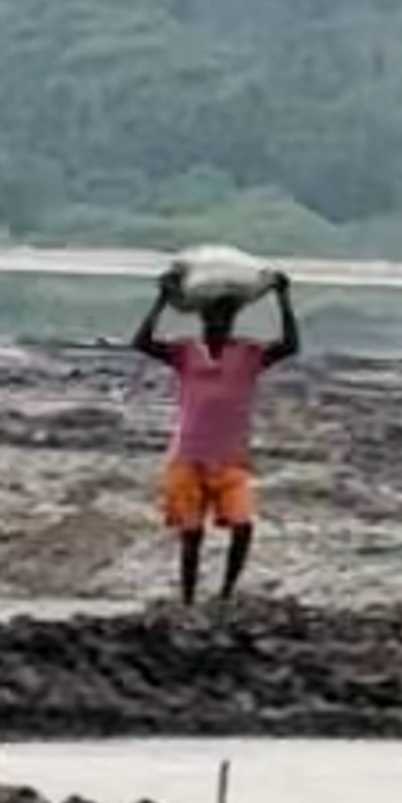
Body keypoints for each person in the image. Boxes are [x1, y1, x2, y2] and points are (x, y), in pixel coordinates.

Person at [130, 244, 299, 610]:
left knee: (243, 526)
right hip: (187, 455)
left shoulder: (248, 354)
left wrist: (282, 298)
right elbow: (142, 342)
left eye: (224, 318)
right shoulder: (187, 352)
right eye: (212, 317)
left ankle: (225, 594)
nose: (218, 323)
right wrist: (161, 299)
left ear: (233, 321)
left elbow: (290, 346)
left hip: (230, 458)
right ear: (203, 320)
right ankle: (189, 601)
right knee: (191, 534)